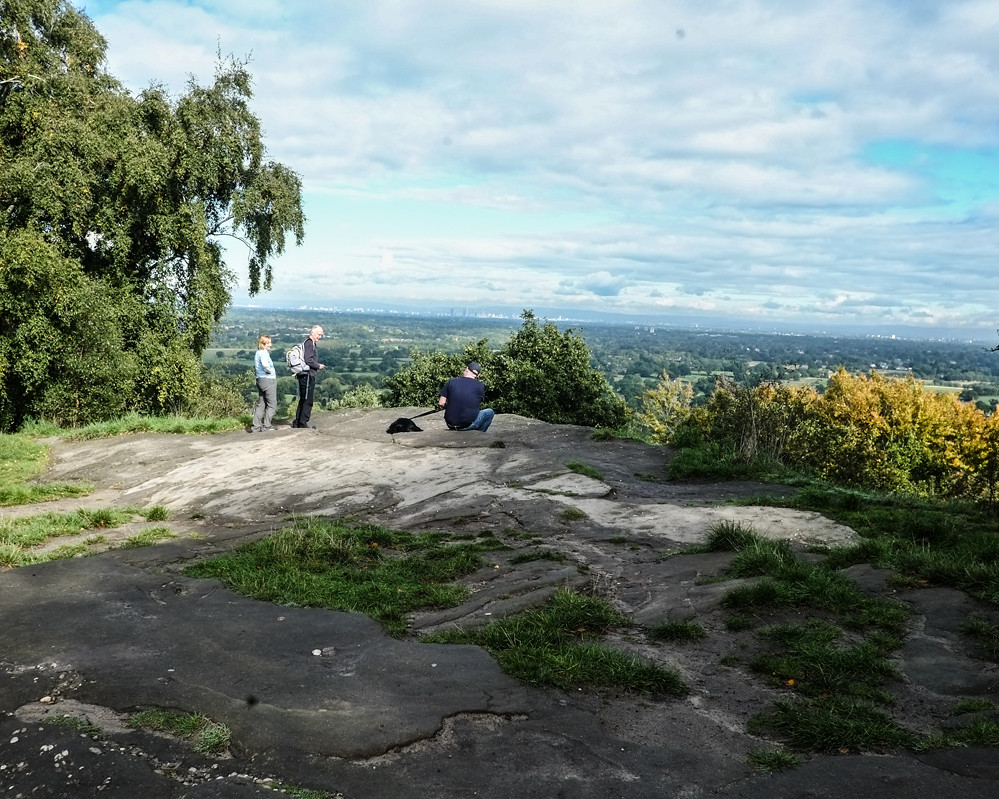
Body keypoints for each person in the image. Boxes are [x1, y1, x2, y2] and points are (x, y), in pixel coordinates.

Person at [438, 361, 494, 432]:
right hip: (467, 425)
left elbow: (441, 403)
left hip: (450, 424)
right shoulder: (480, 386)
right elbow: (476, 403)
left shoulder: (451, 382)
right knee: (490, 412)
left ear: (467, 369)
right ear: (478, 375)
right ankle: (479, 433)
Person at [292, 325, 325, 429]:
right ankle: (303, 422)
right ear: (313, 333)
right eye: (319, 334)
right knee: (307, 399)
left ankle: (298, 422)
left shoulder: (307, 342)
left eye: (321, 335)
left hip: (304, 375)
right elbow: (309, 360)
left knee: (303, 398)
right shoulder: (310, 344)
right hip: (307, 375)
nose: (320, 337)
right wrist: (318, 366)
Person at [250, 334, 277, 432]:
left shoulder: (258, 353)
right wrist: (268, 370)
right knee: (272, 405)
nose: (270, 345)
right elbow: (265, 364)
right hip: (268, 380)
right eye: (268, 343)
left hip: (260, 380)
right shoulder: (264, 353)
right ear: (263, 343)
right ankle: (267, 426)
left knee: (261, 404)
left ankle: (256, 427)